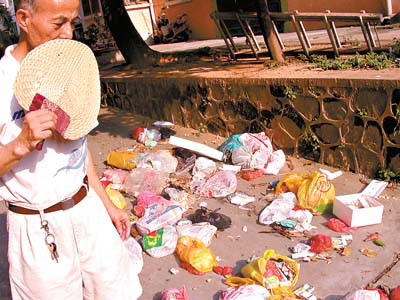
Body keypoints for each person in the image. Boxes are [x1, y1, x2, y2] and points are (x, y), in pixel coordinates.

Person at [0, 0, 142, 299]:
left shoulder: (68, 69)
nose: (68, 34)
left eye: (72, 23)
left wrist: (105, 203)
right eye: (58, 23)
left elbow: (77, 143)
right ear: (24, 19)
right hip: (37, 227)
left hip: (88, 211)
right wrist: (20, 144)